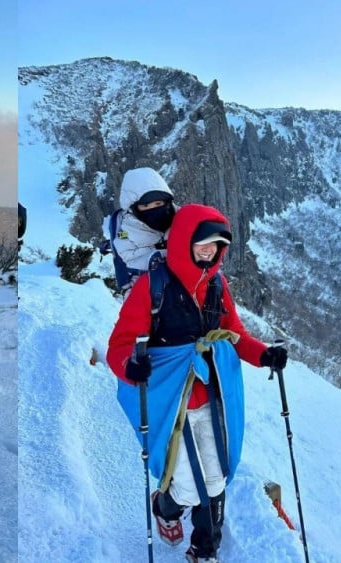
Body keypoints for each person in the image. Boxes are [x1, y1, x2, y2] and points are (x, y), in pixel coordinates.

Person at [107, 204, 288, 563]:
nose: (209, 252)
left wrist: (264, 355)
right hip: (173, 401)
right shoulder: (152, 286)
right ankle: (165, 508)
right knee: (188, 486)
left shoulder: (217, 286)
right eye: (202, 244)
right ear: (183, 241)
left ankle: (204, 550)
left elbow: (234, 334)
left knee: (217, 475)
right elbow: (120, 346)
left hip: (212, 395)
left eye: (217, 247)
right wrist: (133, 366)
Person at [104, 167, 177, 293]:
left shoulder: (182, 218)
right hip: (147, 289)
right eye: (145, 205)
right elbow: (129, 259)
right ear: (134, 208)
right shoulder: (127, 230)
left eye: (158, 204)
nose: (153, 209)